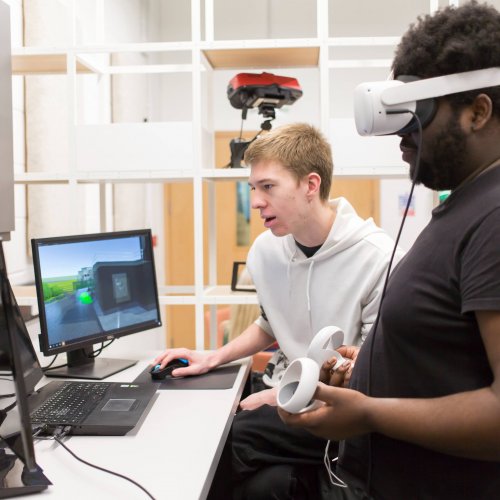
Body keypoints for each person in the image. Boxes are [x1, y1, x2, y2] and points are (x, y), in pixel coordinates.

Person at [278, 2, 500, 499]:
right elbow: (453, 349)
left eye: (415, 115)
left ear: (478, 112)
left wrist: (369, 411)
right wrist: (376, 361)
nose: (401, 135)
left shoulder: (494, 217)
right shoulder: (464, 205)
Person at [153, 122, 402, 498]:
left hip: (340, 411)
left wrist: (276, 396)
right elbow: (270, 323)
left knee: (223, 441)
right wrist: (211, 357)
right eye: (253, 188)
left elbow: (370, 368)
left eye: (268, 187)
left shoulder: (376, 257)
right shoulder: (265, 251)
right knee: (266, 485)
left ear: (310, 185)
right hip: (284, 394)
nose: (255, 201)